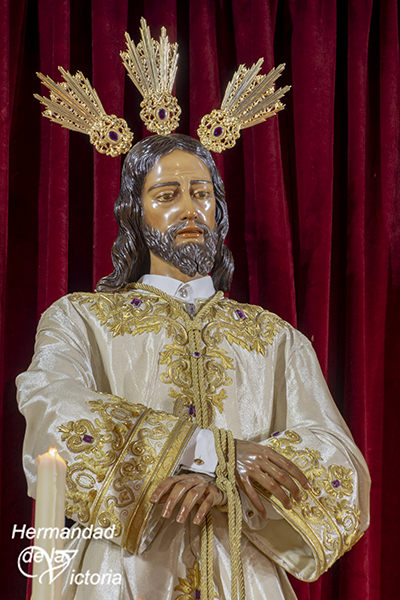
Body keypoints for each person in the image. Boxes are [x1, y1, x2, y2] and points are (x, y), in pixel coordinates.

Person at [17, 133, 370, 600]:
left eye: (201, 194)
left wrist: (233, 487)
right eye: (167, 196)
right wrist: (205, 449)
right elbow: (52, 408)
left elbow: (337, 457)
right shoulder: (81, 319)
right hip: (123, 571)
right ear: (136, 212)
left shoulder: (275, 338)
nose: (189, 209)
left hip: (242, 572)